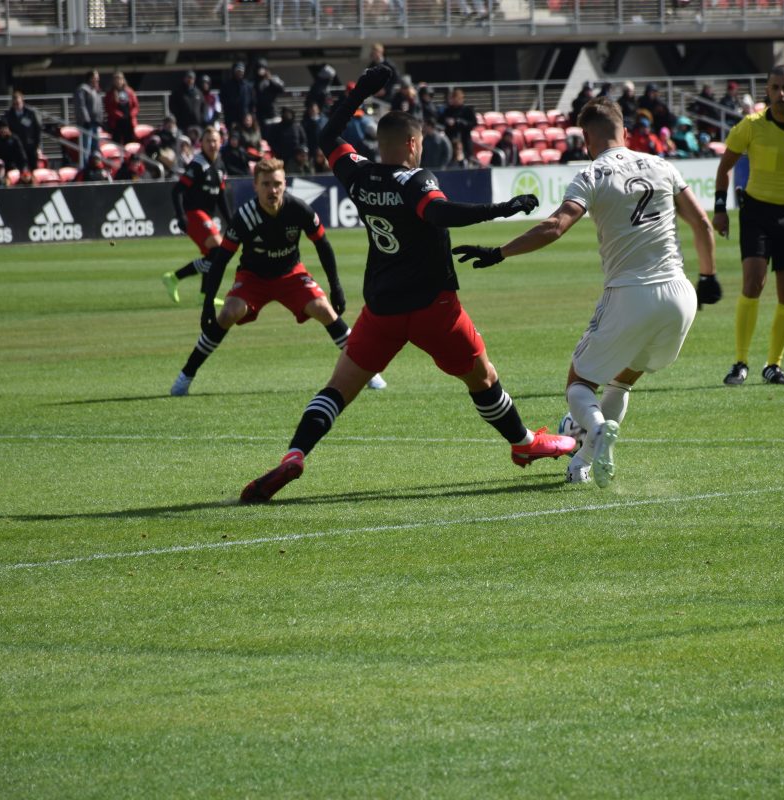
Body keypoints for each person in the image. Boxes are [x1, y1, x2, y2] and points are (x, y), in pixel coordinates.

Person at [238, 64, 575, 504]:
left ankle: (296, 453)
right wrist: (502, 208)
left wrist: (360, 90)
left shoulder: (358, 174)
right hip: (434, 309)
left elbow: (327, 137)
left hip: (381, 310)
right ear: (414, 144)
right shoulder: (416, 180)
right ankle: (523, 442)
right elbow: (437, 212)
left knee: (337, 390)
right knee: (483, 377)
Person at [451, 96, 719, 488]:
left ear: (586, 137)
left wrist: (499, 251)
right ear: (624, 131)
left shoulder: (593, 174)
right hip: (680, 296)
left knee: (579, 383)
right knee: (623, 380)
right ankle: (583, 464)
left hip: (632, 292)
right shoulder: (663, 165)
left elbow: (555, 226)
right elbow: (702, 224)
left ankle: (592, 428)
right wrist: (709, 276)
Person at [169, 157, 385, 397]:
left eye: (277, 184)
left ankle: (368, 372)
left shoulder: (299, 209)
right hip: (253, 278)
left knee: (324, 309)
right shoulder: (245, 216)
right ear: (255, 186)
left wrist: (336, 287)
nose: (273, 190)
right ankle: (185, 376)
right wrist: (208, 302)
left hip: (291, 274)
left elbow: (323, 245)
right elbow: (221, 260)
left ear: (285, 184)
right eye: (266, 184)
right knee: (228, 313)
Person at [712, 65, 784, 387]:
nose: (781, 94)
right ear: (767, 91)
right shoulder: (750, 126)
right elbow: (724, 169)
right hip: (756, 212)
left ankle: (773, 365)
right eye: (775, 88)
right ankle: (740, 362)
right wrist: (721, 211)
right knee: (753, 283)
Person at [162, 127, 233, 305]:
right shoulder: (198, 164)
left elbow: (221, 197)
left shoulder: (220, 164)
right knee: (217, 247)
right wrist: (181, 217)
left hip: (205, 215)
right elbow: (177, 191)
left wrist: (231, 221)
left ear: (220, 142)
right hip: (193, 213)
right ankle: (177, 279)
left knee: (214, 255)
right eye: (208, 140)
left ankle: (199, 291)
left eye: (215, 140)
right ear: (201, 143)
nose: (212, 144)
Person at [3, 90, 42, 170]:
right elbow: (4, 128)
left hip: (30, 146)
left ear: (22, 102)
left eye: (18, 103)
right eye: (15, 104)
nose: (17, 105)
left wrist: (37, 146)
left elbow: (37, 130)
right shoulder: (8, 114)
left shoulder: (30, 113)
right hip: (16, 147)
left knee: (33, 168)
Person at [74, 70, 104, 169]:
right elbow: (81, 106)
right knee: (86, 147)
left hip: (95, 123)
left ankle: (95, 167)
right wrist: (86, 120)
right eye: (95, 77)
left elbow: (99, 107)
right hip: (86, 124)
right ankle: (85, 168)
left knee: (95, 148)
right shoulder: (83, 89)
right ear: (90, 78)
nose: (97, 80)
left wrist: (100, 120)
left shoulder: (96, 90)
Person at [104, 71, 139, 145]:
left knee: (130, 142)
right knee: (116, 142)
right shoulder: (110, 93)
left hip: (129, 122)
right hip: (116, 123)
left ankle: (130, 156)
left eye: (120, 79)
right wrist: (120, 115)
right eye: (116, 79)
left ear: (123, 80)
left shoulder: (129, 91)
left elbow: (136, 106)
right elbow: (109, 108)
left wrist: (131, 115)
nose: (118, 81)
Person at [438, 87, 476, 154]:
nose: (455, 100)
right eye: (453, 98)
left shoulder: (468, 110)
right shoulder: (448, 110)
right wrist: (446, 122)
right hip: (451, 139)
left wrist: (458, 122)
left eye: (457, 98)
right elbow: (440, 121)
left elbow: (473, 124)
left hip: (464, 140)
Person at [254, 59, 286, 128]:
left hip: (274, 114)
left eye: (263, 68)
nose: (261, 71)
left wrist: (270, 79)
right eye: (259, 68)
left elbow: (281, 88)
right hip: (262, 117)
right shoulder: (255, 82)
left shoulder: (274, 78)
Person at [220, 62, 255, 126]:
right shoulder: (227, 86)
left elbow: (252, 103)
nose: (240, 73)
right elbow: (223, 101)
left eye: (241, 71)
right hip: (231, 119)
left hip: (245, 119)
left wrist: (250, 115)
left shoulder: (248, 86)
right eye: (238, 71)